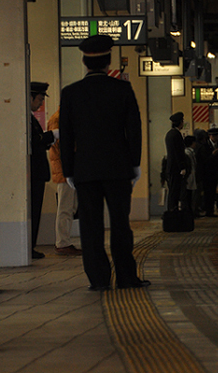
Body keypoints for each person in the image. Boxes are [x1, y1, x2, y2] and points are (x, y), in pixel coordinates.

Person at [59, 35, 149, 291]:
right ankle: (126, 277)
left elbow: (66, 135)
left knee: (90, 227)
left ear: (85, 62)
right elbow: (134, 128)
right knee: (121, 224)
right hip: (118, 169)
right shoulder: (122, 89)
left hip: (84, 171)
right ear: (108, 61)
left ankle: (98, 279)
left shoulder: (71, 93)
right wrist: (134, 163)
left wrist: (69, 170)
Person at [47, 108, 82, 256]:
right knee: (65, 208)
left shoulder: (64, 117)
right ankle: (62, 243)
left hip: (68, 169)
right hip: (64, 171)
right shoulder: (58, 119)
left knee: (70, 207)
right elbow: (62, 145)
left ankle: (64, 241)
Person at [30, 81, 58, 260]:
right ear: (30, 97)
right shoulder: (25, 118)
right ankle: (28, 246)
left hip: (37, 173)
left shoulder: (31, 118)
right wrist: (51, 136)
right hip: (33, 173)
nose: (41, 103)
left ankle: (30, 245)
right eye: (39, 99)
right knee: (32, 210)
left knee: (36, 211)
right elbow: (34, 140)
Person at [164, 112, 187, 211]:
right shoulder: (176, 135)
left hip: (171, 168)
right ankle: (172, 212)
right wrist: (182, 167)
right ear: (180, 123)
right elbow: (178, 153)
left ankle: (172, 210)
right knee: (174, 191)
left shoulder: (169, 134)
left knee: (172, 191)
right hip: (175, 168)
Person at [181, 135, 197, 214]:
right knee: (188, 196)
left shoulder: (190, 152)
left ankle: (190, 211)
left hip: (191, 177)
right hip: (188, 178)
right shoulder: (187, 153)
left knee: (190, 195)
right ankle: (188, 212)